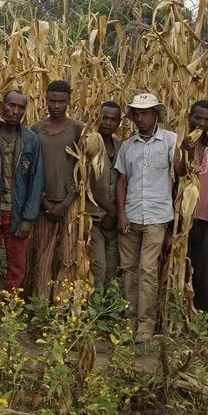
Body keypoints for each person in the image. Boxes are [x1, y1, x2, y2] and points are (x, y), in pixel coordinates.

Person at [115, 92, 177, 342]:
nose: (140, 118)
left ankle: (145, 326)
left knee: (148, 270)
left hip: (156, 216)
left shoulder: (171, 141)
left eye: (145, 113)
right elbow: (121, 180)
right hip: (131, 215)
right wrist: (121, 213)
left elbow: (180, 171)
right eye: (137, 114)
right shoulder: (128, 146)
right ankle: (128, 321)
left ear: (155, 115)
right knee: (129, 270)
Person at [26, 80, 84, 301]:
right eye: (52, 101)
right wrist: (44, 202)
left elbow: (83, 171)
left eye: (61, 101)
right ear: (46, 100)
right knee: (43, 255)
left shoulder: (78, 129)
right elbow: (30, 168)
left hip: (70, 201)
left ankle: (62, 306)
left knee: (68, 256)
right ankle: (41, 305)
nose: (57, 105)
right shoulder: (36, 129)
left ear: (69, 101)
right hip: (43, 202)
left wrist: (67, 201)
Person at [0, 89, 43, 292]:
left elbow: (36, 181)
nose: (15, 111)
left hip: (17, 212)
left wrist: (28, 217)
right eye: (11, 105)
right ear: (2, 106)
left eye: (20, 107)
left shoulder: (30, 140)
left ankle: (10, 307)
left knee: (17, 264)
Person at [174, 99, 208, 311]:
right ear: (189, 118)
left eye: (207, 119)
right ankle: (176, 309)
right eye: (198, 118)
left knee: (203, 269)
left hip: (207, 218)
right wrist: (185, 151)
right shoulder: (178, 144)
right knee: (180, 264)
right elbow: (178, 173)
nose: (201, 123)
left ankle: (199, 313)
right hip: (183, 218)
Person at [86, 101, 122, 287]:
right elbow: (86, 184)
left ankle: (107, 310)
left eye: (113, 119)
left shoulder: (121, 147)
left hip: (114, 221)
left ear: (119, 122)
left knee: (111, 269)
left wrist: (115, 213)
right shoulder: (89, 145)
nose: (107, 123)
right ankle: (95, 310)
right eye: (104, 118)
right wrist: (111, 210)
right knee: (98, 267)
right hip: (94, 217)